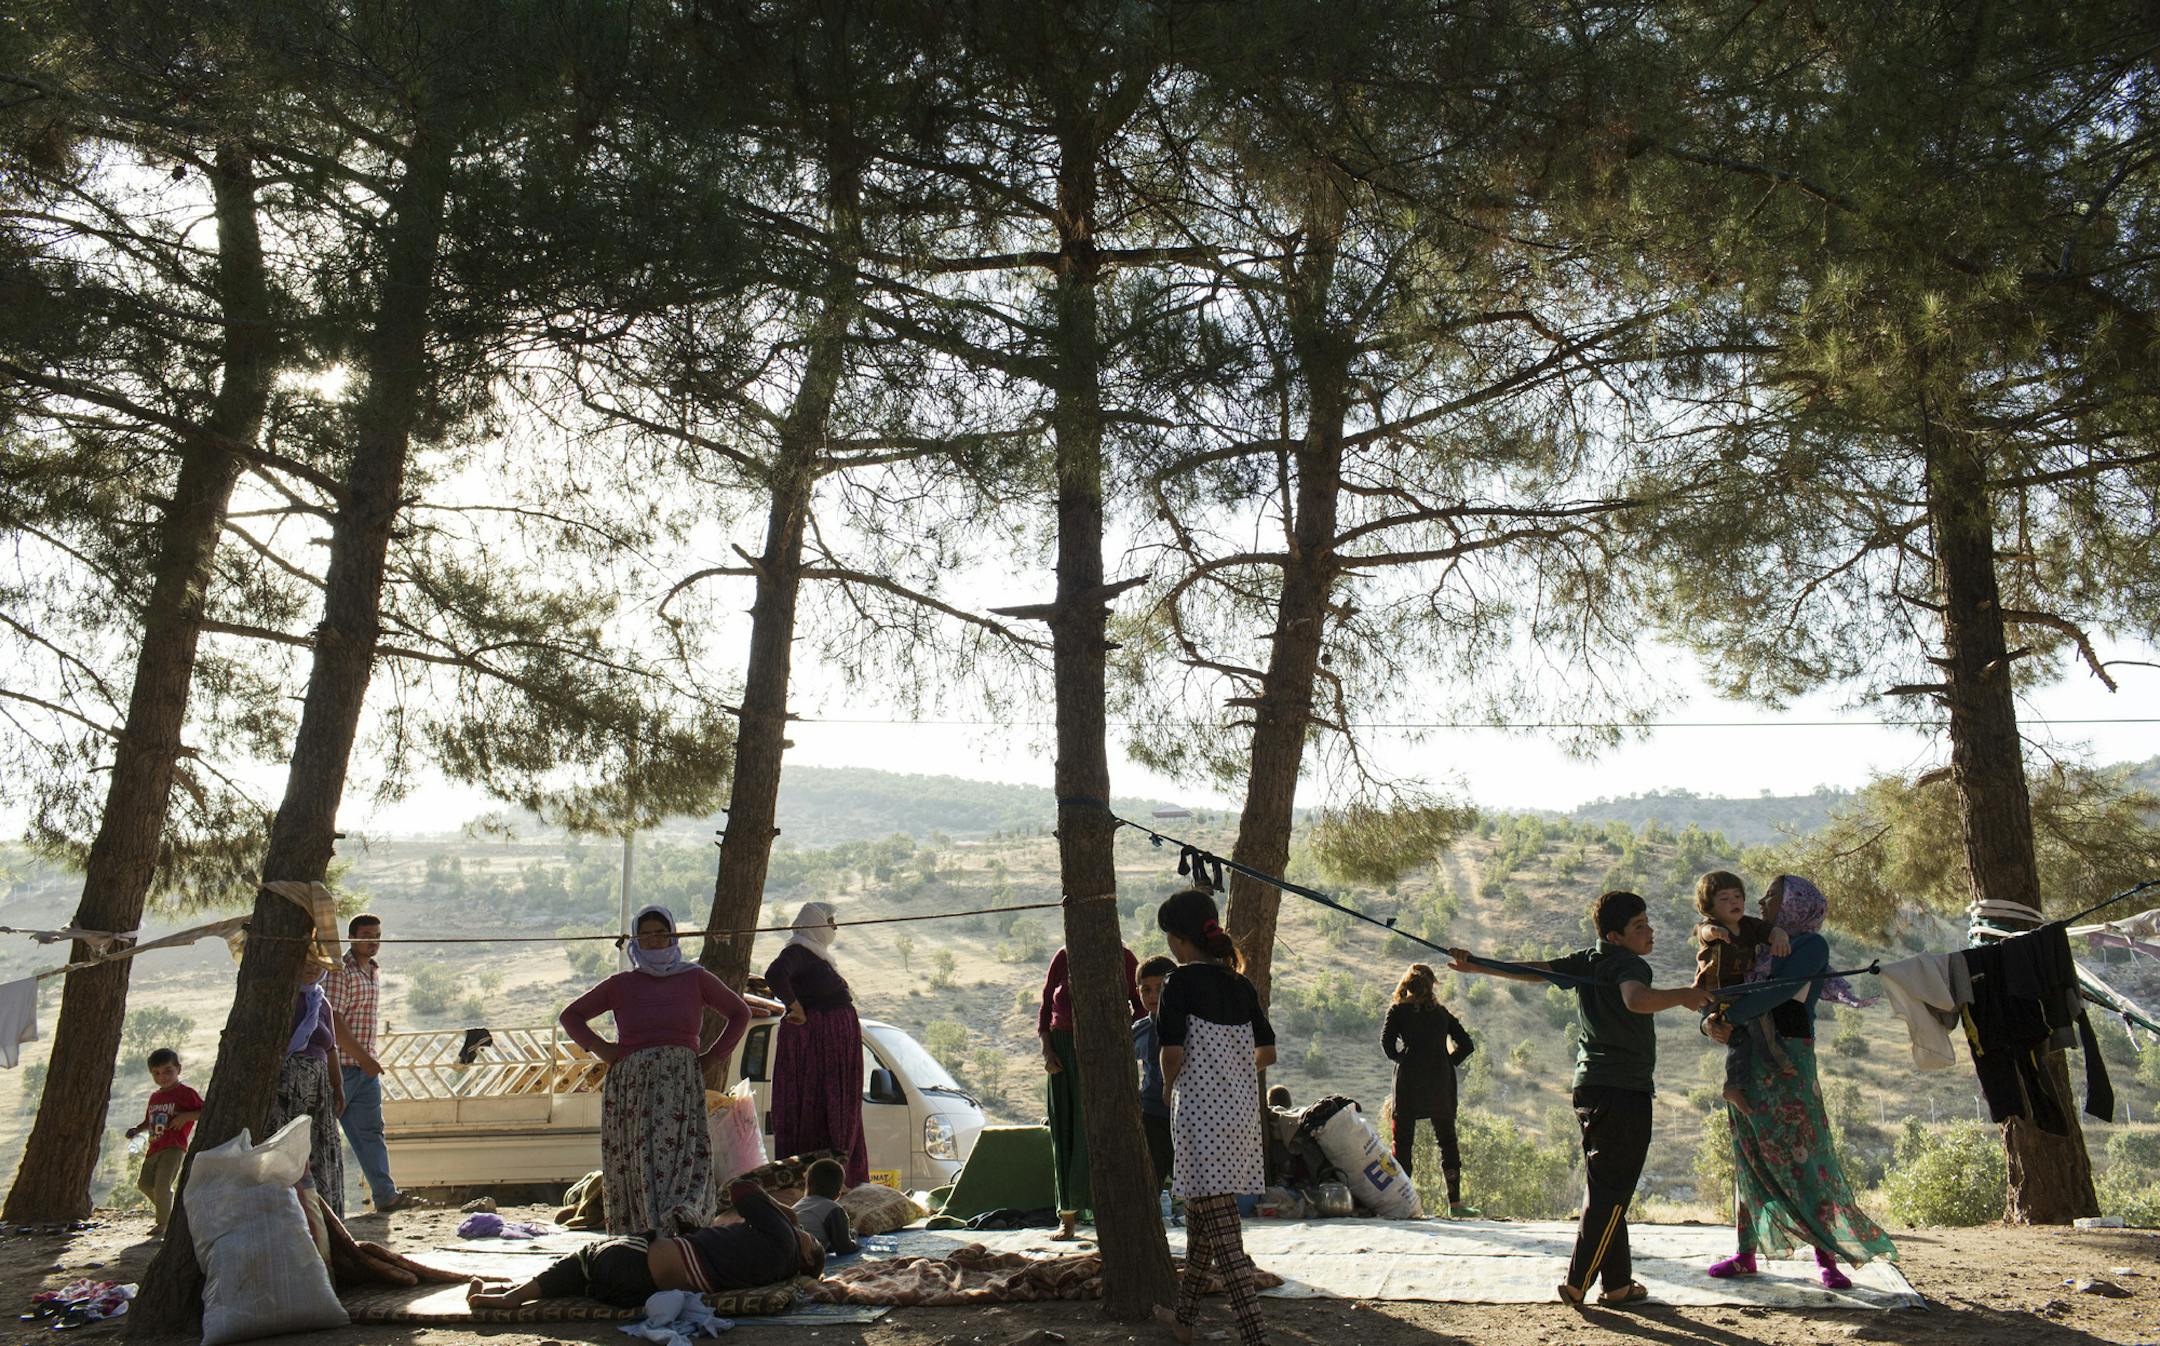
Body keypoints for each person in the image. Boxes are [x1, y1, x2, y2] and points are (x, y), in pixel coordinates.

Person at [1449, 890, 1709, 1307]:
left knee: (1608, 1185)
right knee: (1610, 1189)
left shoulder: (1589, 961)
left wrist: (1477, 964)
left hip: (1588, 1088)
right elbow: (1636, 1000)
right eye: (1639, 926)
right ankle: (1578, 1281)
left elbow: (1537, 972)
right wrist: (1684, 995)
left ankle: (1619, 1284)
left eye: (1647, 923)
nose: (1650, 932)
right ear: (1616, 935)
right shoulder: (1629, 964)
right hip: (1624, 1092)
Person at [1708, 875, 1897, 1290]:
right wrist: (1711, 1020)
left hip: (1788, 1060)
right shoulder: (1757, 943)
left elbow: (1777, 991)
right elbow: (1723, 988)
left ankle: (1826, 1256)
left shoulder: (1811, 946)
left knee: (1803, 1153)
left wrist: (1727, 1018)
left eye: (1772, 895)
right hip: (1749, 1058)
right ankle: (1746, 1253)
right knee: (1750, 1153)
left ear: (1795, 903)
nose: (1761, 900)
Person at [562, 905, 752, 1236]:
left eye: (660, 934)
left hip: (679, 1081)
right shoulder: (621, 985)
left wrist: (714, 1056)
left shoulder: (694, 978)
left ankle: (680, 1226)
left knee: (681, 1156)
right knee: (639, 1157)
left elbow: (740, 1012)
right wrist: (605, 1049)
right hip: (633, 1085)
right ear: (636, 939)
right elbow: (571, 1016)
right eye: (646, 935)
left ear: (673, 936)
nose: (654, 941)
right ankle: (641, 1234)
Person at [1151, 888, 1273, 1346]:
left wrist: (1168, 1086)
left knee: (1222, 1228)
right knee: (1206, 1215)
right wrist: (1231, 1065)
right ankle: (1184, 1321)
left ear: (1180, 941)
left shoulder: (1178, 983)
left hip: (1199, 1115)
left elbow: (1172, 1051)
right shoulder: (1240, 984)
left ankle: (1254, 1332)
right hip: (1241, 1116)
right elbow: (1268, 1051)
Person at [467, 1179, 825, 1310]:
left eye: (812, 1240)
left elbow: (741, 1188)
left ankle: (512, 1296)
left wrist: (786, 1214)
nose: (807, 1232)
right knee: (589, 1276)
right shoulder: (779, 1267)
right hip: (635, 1291)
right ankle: (514, 1290)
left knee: (586, 1255)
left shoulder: (785, 1237)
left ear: (807, 1254)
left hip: (635, 1264)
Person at [1038, 941, 1144, 1240]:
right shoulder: (1063, 956)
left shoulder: (1123, 957)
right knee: (1065, 1132)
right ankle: (1067, 1218)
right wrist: (1047, 1051)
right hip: (1062, 1054)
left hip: (1105, 1051)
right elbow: (1046, 1006)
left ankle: (1105, 1215)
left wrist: (1120, 1043)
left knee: (1098, 1130)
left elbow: (1139, 1008)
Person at [764, 901, 869, 1187]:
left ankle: (846, 1180)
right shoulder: (798, 951)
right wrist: (794, 1006)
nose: (834, 928)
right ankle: (823, 1184)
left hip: (834, 1041)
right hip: (821, 1044)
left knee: (841, 1111)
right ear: (816, 924)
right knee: (822, 1107)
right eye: (830, 921)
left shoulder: (817, 957)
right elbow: (774, 974)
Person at [323, 912, 418, 1212]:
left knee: (371, 1132)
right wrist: (364, 1059)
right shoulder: (341, 971)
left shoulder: (373, 971)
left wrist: (368, 1061)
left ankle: (386, 1195)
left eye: (376, 936)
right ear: (351, 937)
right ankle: (323, 1202)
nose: (372, 941)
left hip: (365, 1068)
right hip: (342, 1067)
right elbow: (334, 1022)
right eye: (366, 935)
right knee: (322, 1134)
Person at [1381, 963, 1477, 1217]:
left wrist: (1403, 1058)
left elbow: (1387, 1044)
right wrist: (1448, 1063)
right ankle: (1455, 1204)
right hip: (1440, 1083)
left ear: (1406, 985)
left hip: (1409, 1083)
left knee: (1402, 1142)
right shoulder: (1442, 1014)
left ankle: (1404, 1203)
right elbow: (1467, 1045)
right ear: (1432, 985)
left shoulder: (1398, 1012)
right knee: (1447, 1141)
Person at [1691, 872, 1791, 1112]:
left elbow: (1771, 931)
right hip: (1715, 995)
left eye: (1737, 896)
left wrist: (1780, 936)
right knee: (1758, 1016)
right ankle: (1777, 1063)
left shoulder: (1749, 925)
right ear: (1710, 907)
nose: (1733, 902)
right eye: (1724, 898)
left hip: (1740, 992)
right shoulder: (1709, 927)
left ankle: (1733, 1086)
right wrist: (1716, 933)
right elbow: (1703, 933)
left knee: (1740, 1039)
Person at [270, 964, 347, 1217]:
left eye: (318, 963)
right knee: (289, 1147)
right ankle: (291, 1213)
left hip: (319, 1090)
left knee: (319, 1147)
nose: (312, 969)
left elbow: (331, 1048)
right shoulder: (281, 997)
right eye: (305, 962)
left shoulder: (320, 1001)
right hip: (287, 1089)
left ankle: (323, 1215)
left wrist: (338, 1086)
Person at [127, 1048, 201, 1238]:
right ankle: (172, 1211)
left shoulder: (186, 1093)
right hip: (154, 1147)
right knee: (144, 1184)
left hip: (174, 1146)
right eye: (157, 1073)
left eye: (168, 1071)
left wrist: (185, 1117)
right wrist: (137, 1130)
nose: (163, 1077)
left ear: (178, 1069)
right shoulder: (155, 1097)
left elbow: (204, 1111)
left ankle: (163, 1223)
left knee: (162, 1186)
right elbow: (148, 1121)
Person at [1134, 954, 1178, 1193]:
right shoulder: (1139, 1030)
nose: (1153, 996)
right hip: (1151, 1114)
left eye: (1160, 989)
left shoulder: (1188, 1026)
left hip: (1185, 1114)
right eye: (1146, 989)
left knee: (1188, 1178)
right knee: (1152, 1175)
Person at [792, 1157, 858, 1256]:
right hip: (802, 1255)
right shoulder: (833, 1209)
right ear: (838, 1193)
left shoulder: (798, 1205)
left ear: (807, 1186)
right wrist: (856, 1242)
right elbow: (844, 1248)